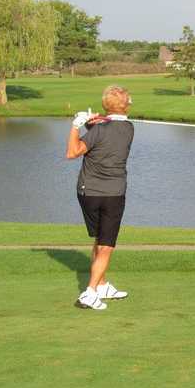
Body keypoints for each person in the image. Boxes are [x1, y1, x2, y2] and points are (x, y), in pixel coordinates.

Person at [66, 85, 134, 310]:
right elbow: (72, 153)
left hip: (87, 193)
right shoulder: (129, 128)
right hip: (112, 194)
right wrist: (84, 124)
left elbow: (78, 148)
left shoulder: (98, 129)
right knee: (106, 245)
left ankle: (102, 285)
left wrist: (78, 125)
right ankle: (90, 292)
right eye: (129, 100)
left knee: (100, 239)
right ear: (125, 106)